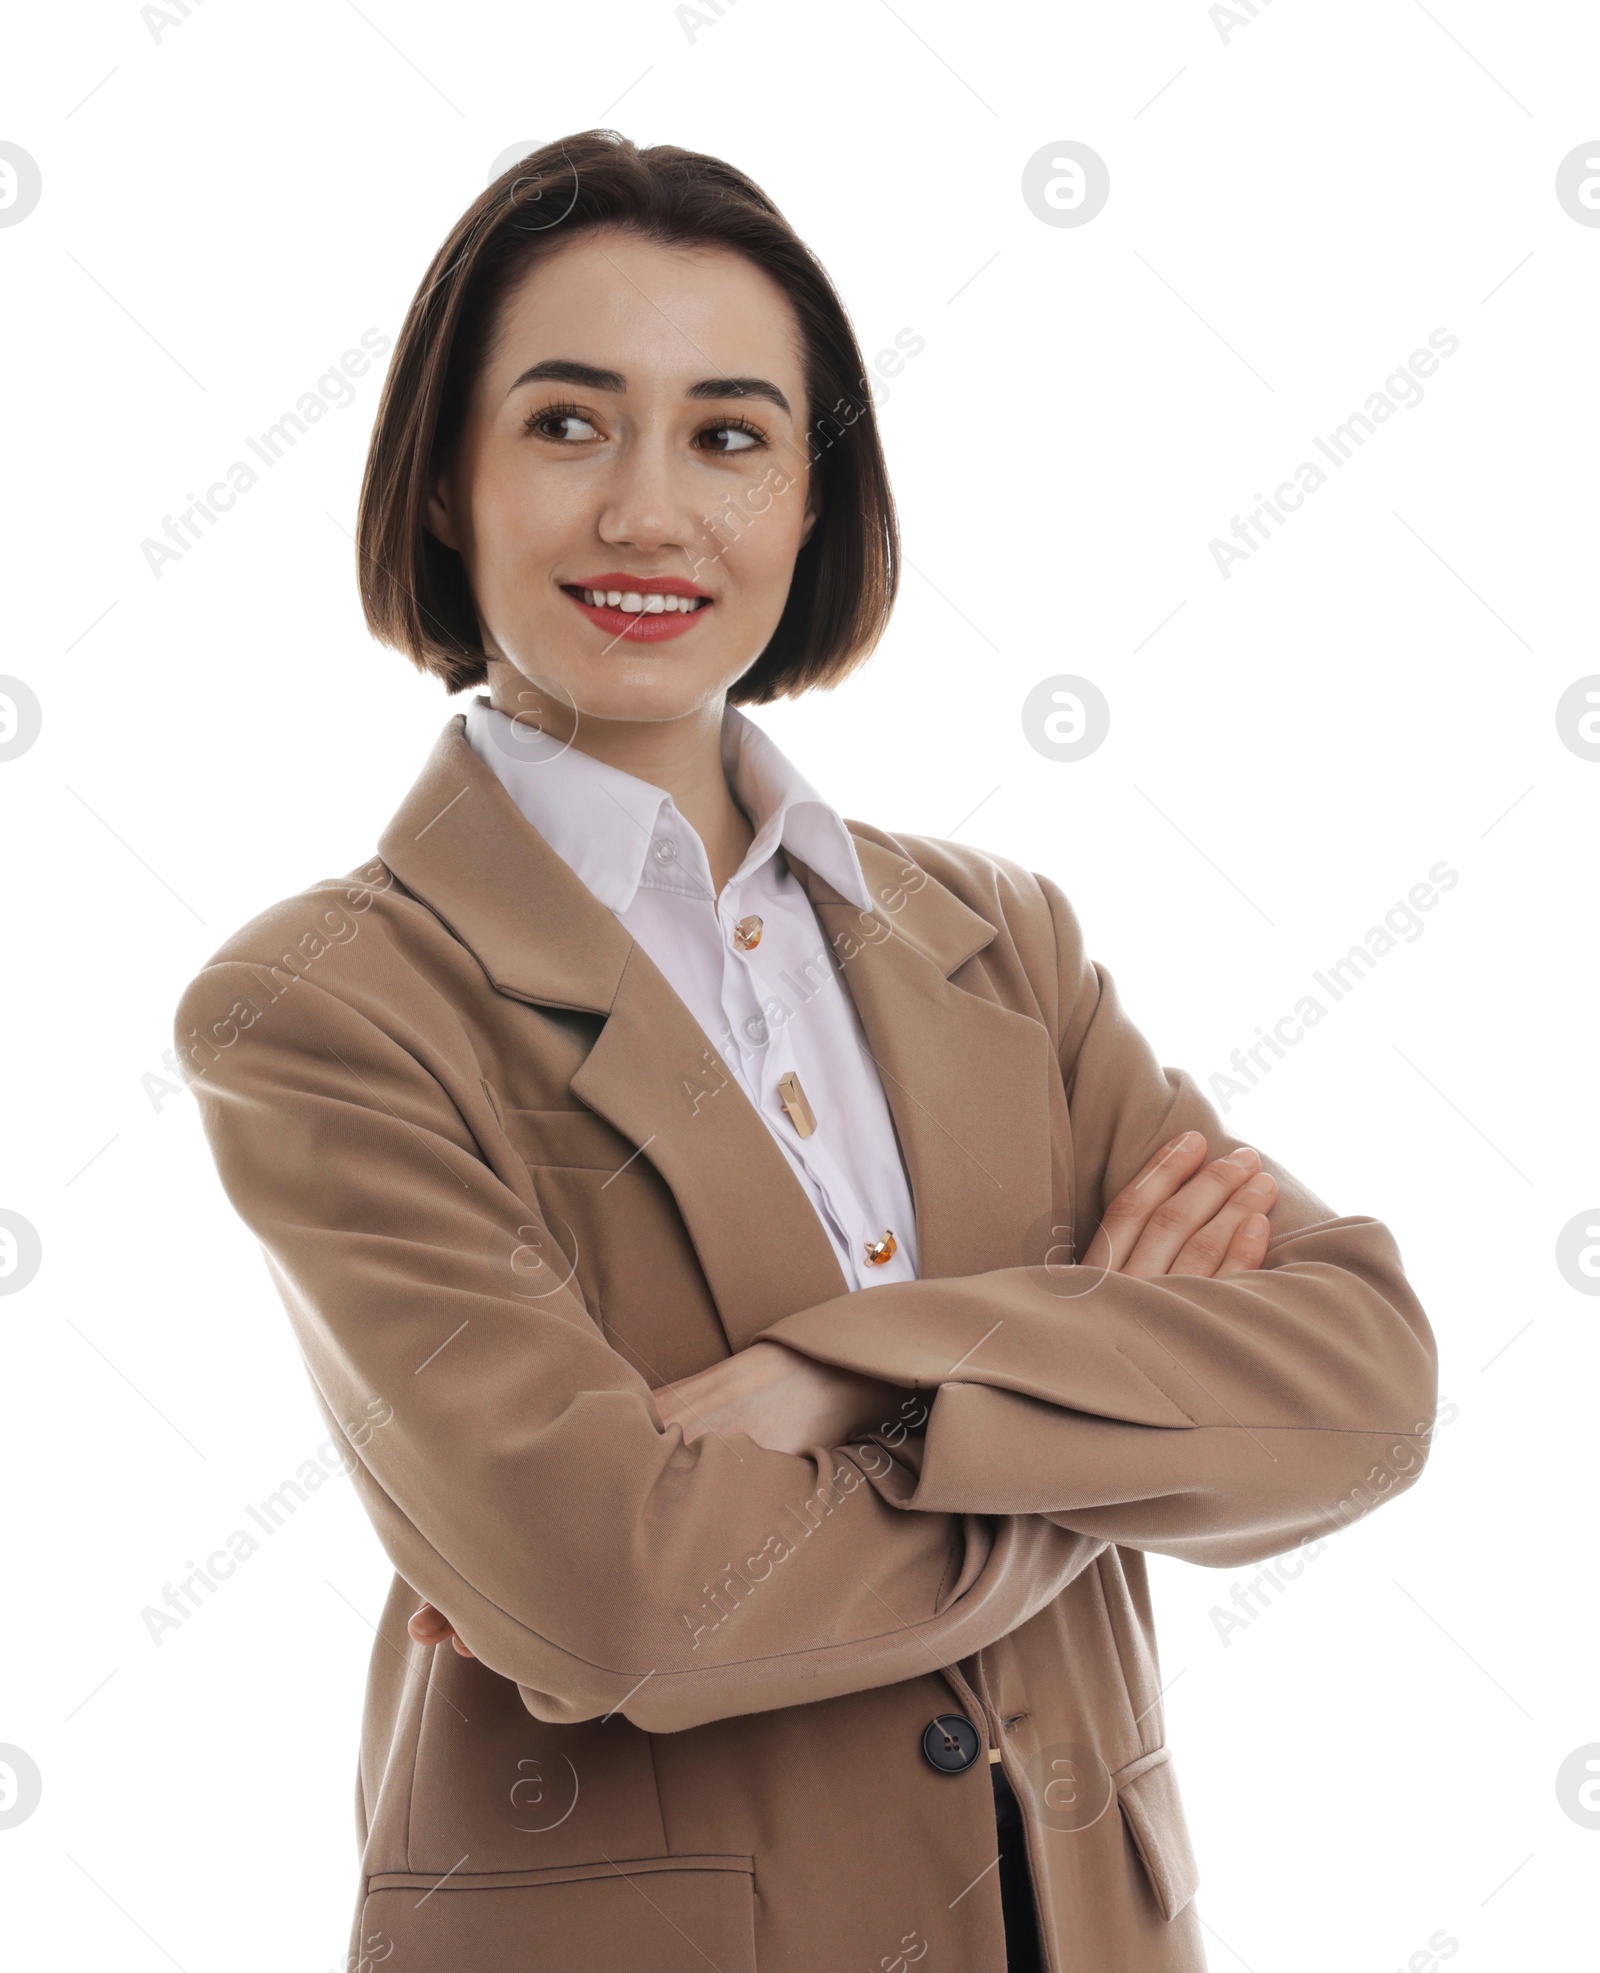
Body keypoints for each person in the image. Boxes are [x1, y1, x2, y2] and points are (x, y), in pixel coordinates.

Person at [174, 129, 1439, 1973]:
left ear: (812, 498)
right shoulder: (328, 1007)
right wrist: (1098, 1423)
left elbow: (1359, 1388)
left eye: (731, 433)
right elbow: (619, 1600)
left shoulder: (1000, 936)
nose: (648, 515)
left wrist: (840, 1376)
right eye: (566, 422)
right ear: (445, 479)